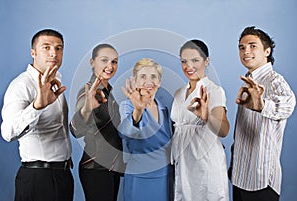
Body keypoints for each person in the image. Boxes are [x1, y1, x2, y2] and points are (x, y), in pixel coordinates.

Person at [1, 29, 73, 201]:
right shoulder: (21, 85)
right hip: (38, 179)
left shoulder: (56, 82)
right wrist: (36, 106)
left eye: (58, 48)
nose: (53, 53)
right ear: (33, 52)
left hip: (62, 175)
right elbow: (8, 133)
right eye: (46, 47)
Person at [229, 26, 296, 201]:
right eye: (242, 47)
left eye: (252, 46)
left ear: (267, 51)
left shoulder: (274, 80)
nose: (246, 51)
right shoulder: (248, 79)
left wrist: (261, 105)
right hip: (240, 176)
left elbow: (288, 105)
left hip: (261, 179)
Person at [171, 39, 230, 201]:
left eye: (195, 60)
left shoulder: (214, 91)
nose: (189, 66)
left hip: (206, 163)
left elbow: (224, 130)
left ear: (206, 61)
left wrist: (206, 117)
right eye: (184, 61)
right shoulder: (178, 93)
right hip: (183, 164)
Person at [69, 44, 125, 201]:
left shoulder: (109, 92)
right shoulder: (88, 92)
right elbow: (76, 130)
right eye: (104, 60)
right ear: (92, 62)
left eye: (114, 61)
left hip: (111, 167)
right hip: (96, 168)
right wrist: (87, 109)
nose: (110, 66)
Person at [118, 58, 173, 201]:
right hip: (138, 176)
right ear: (135, 81)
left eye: (153, 76)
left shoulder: (164, 109)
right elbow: (125, 133)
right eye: (143, 77)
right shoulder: (127, 106)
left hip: (164, 176)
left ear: (159, 82)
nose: (149, 81)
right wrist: (138, 110)